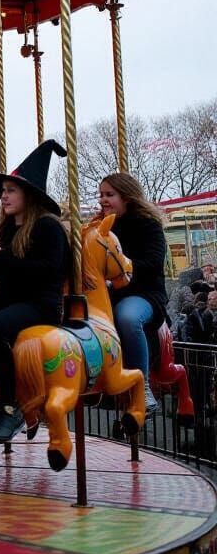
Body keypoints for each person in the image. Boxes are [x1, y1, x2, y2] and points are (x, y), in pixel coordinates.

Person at [0, 141, 70, 444]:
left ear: (28, 195)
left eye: (11, 190)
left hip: (39, 303)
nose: (4, 196)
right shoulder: (6, 230)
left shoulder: (48, 228)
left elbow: (47, 270)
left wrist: (2, 256)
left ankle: (11, 405)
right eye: (3, 190)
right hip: (8, 301)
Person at [98, 173, 169, 414]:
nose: (103, 200)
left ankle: (143, 385)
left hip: (144, 293)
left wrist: (122, 267)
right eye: (101, 195)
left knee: (127, 318)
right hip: (110, 294)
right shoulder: (101, 227)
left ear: (126, 197)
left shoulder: (147, 224)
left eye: (109, 195)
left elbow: (153, 261)